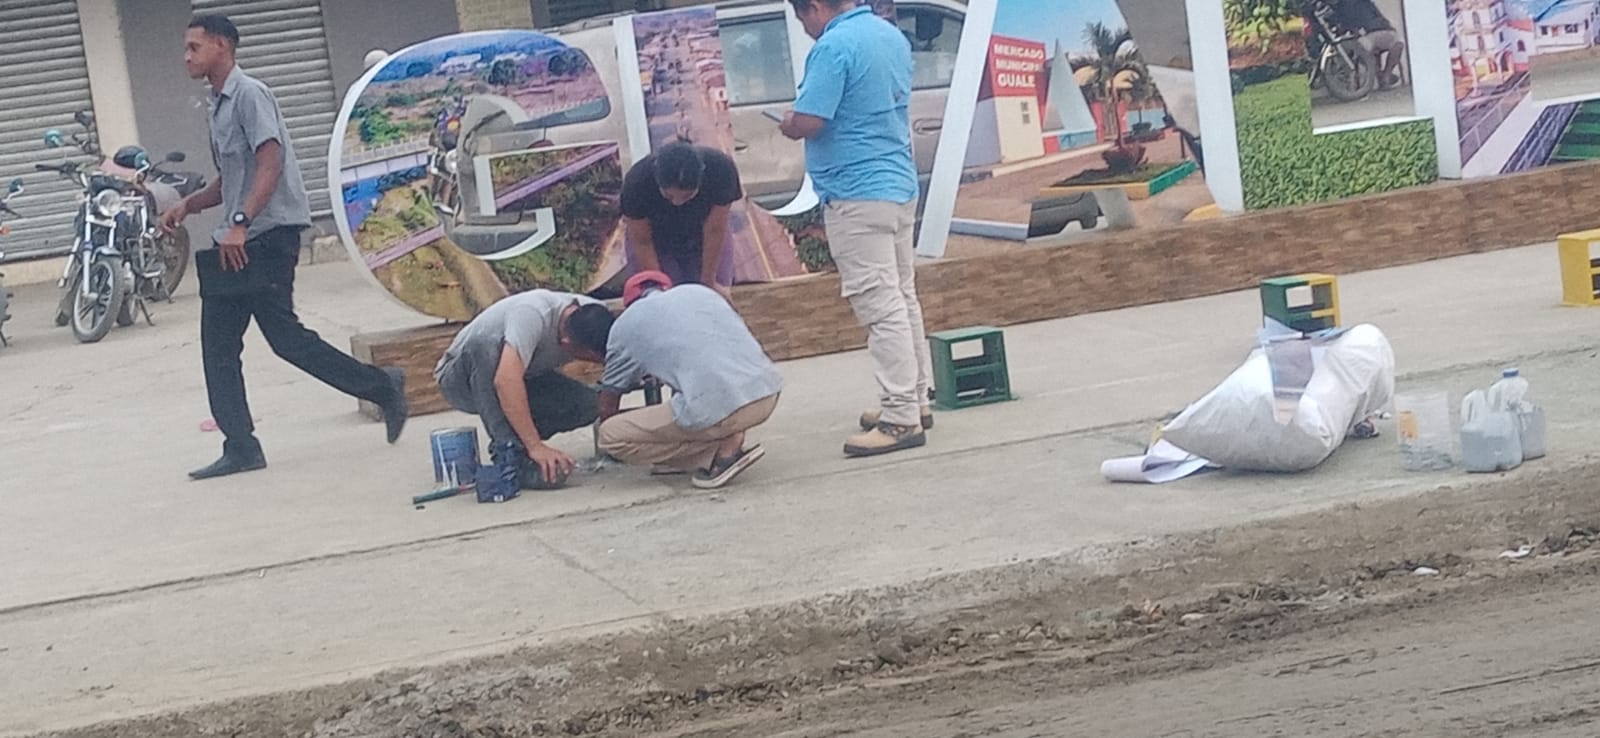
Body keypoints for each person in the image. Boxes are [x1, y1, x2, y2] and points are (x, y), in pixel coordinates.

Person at [162, 14, 408, 480]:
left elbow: (269, 164)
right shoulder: (217, 104)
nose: (186, 56)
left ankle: (382, 385)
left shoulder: (249, 95)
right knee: (218, 347)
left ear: (221, 46)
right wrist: (188, 205)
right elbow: (232, 177)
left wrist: (240, 222)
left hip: (267, 237)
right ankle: (241, 446)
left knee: (285, 339)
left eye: (194, 47)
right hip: (236, 240)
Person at [779, 0, 933, 458]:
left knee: (879, 306)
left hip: (856, 191)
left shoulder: (833, 46)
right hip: (897, 182)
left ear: (815, 7)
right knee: (902, 296)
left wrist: (789, 123)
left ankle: (900, 416)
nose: (805, 28)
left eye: (802, 17)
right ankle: (916, 398)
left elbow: (810, 120)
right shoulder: (889, 34)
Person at [596, 271, 782, 489]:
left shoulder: (627, 323)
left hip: (723, 409)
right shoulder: (700, 293)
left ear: (628, 303)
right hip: (767, 392)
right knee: (686, 404)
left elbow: (609, 401)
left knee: (610, 435)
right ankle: (718, 441)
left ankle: (720, 452)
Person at [433, 291, 613, 490]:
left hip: (527, 376)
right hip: (461, 379)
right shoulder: (532, 314)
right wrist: (536, 446)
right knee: (483, 346)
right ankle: (510, 453)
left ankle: (520, 441)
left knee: (591, 404)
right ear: (566, 343)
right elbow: (505, 381)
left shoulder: (596, 314)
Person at [620, 141, 742, 296]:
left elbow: (715, 229)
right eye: (669, 196)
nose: (678, 202)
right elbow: (642, 241)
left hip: (704, 233)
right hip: (655, 240)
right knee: (658, 295)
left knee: (714, 294)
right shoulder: (637, 181)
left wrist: (709, 283)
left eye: (687, 196)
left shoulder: (721, 169)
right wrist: (660, 288)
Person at [1333, 0, 1406, 89]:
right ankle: (1384, 76)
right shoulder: (1363, 3)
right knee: (1397, 43)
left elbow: (1343, 28)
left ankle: (1383, 75)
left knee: (1363, 51)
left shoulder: (1343, 5)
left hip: (1369, 34)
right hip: (1374, 33)